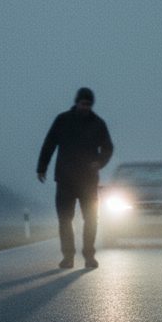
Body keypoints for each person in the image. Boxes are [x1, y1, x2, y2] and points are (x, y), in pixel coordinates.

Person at [37, 87, 114, 269]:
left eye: (88, 104)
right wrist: (41, 167)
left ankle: (89, 256)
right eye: (83, 103)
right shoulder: (62, 120)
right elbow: (49, 144)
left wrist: (99, 162)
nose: (85, 107)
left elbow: (108, 148)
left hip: (88, 181)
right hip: (65, 180)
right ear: (76, 102)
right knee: (65, 219)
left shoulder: (98, 123)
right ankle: (68, 257)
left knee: (91, 219)